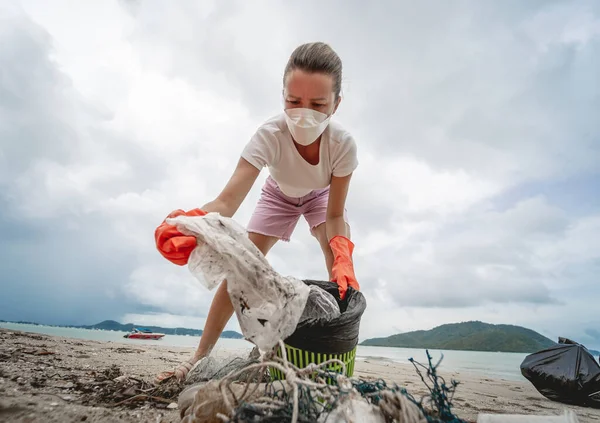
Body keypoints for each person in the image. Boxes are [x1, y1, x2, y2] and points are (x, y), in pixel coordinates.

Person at [154, 41, 361, 383]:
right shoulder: (269, 135)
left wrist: (343, 256)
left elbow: (336, 215)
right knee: (241, 265)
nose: (303, 112)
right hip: (278, 195)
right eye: (293, 102)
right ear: (282, 96)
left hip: (320, 197)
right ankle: (197, 358)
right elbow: (227, 202)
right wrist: (187, 223)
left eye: (318, 104)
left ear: (336, 104)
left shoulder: (342, 145)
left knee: (339, 275)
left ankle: (339, 364)